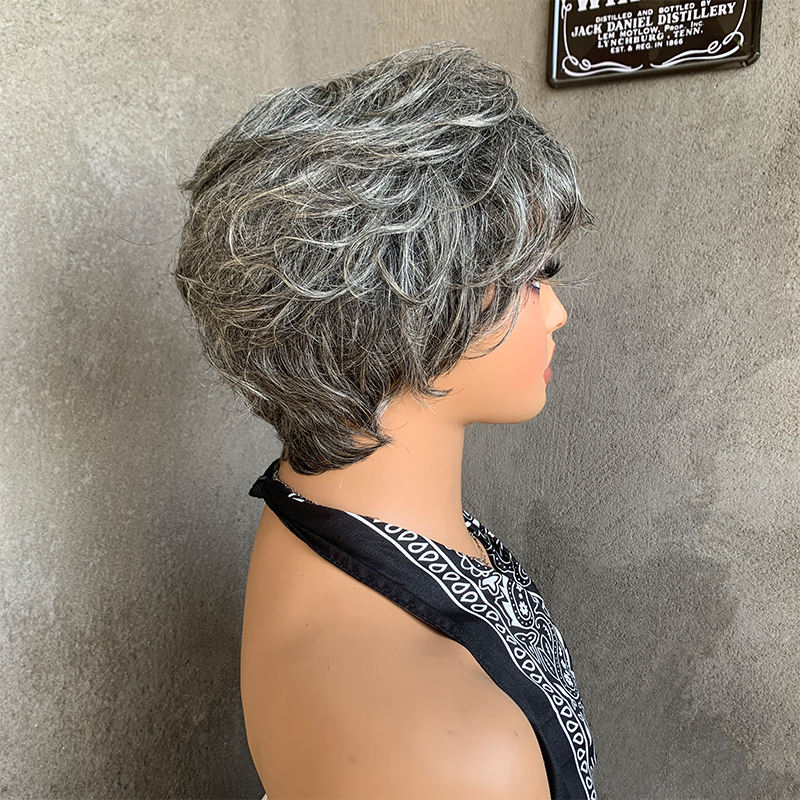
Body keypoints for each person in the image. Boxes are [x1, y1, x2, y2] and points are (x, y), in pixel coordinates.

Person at [173, 41, 598, 799]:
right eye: (535, 277)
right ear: (410, 306)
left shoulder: (310, 499)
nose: (557, 312)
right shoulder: (461, 763)